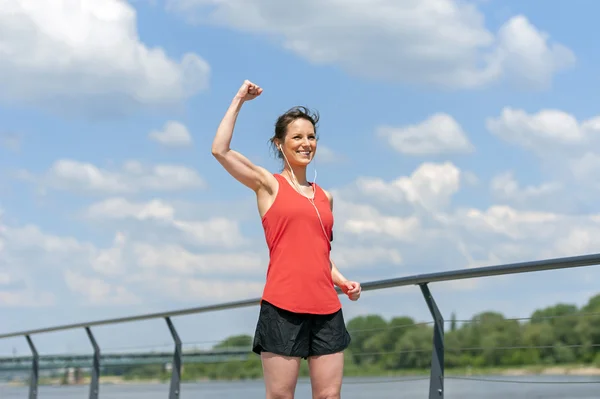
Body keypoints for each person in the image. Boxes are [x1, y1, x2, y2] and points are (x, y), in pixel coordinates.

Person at [211, 80, 361, 399]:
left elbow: (318, 253)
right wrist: (239, 99)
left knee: (329, 396)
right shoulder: (269, 185)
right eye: (297, 137)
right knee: (281, 397)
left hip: (326, 309)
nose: (306, 143)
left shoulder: (326, 197)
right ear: (280, 143)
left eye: (311, 137)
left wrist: (344, 281)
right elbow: (219, 151)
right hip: (283, 308)